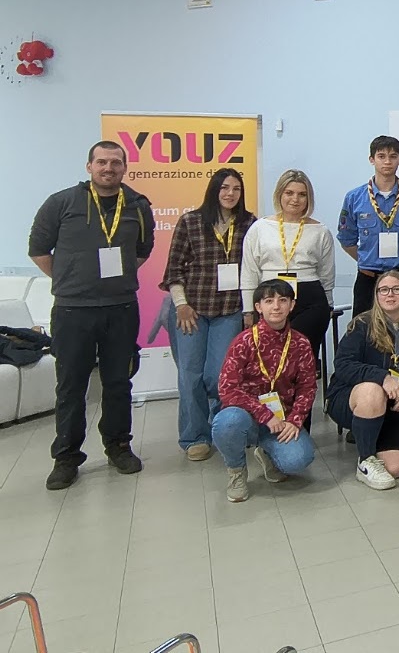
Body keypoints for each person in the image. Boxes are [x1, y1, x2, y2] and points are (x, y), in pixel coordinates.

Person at [29, 140, 156, 490]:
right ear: (89, 167)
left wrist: (114, 281)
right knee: (71, 386)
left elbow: (143, 250)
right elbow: (38, 249)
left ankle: (118, 446)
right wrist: (70, 280)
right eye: (101, 162)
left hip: (121, 308)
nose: (108, 168)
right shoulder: (61, 203)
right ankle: (66, 457)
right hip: (72, 310)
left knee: (118, 382)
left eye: (115, 163)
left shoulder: (137, 205)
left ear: (124, 168)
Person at [160, 168, 256, 461]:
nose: (230, 193)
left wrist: (250, 309)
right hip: (192, 310)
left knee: (219, 375)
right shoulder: (190, 221)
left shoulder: (250, 224)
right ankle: (194, 436)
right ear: (214, 190)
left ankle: (222, 425)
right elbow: (174, 268)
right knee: (190, 374)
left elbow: (253, 269)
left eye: (236, 189)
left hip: (229, 309)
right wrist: (181, 304)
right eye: (224, 187)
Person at [325, 270, 399, 490]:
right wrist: (382, 377)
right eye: (383, 290)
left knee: (396, 468)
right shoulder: (361, 324)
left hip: (393, 405)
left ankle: (370, 434)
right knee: (373, 390)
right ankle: (365, 460)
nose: (390, 294)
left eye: (397, 289)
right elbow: (343, 364)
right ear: (376, 295)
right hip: (351, 399)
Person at [213, 279, 317, 502]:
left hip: (281, 420)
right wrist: (264, 415)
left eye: (283, 300)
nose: (276, 307)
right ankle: (236, 471)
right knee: (227, 423)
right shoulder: (243, 341)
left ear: (292, 305)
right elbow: (227, 389)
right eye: (269, 301)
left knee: (299, 459)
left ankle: (267, 453)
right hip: (247, 417)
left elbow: (307, 387)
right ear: (258, 307)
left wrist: (295, 420)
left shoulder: (300, 343)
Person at [241, 169, 335, 374]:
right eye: (289, 193)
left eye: (302, 194)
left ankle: (303, 396)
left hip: (310, 300)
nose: (295, 199)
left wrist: (328, 304)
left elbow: (326, 273)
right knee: (270, 362)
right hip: (270, 297)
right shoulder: (260, 228)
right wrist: (248, 310)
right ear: (279, 194)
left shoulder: (321, 231)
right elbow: (250, 270)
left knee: (301, 361)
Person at [337, 135, 399, 317]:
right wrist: (368, 258)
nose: (387, 161)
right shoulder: (354, 198)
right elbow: (346, 240)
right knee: (363, 331)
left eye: (393, 156)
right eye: (381, 156)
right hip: (369, 279)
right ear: (371, 159)